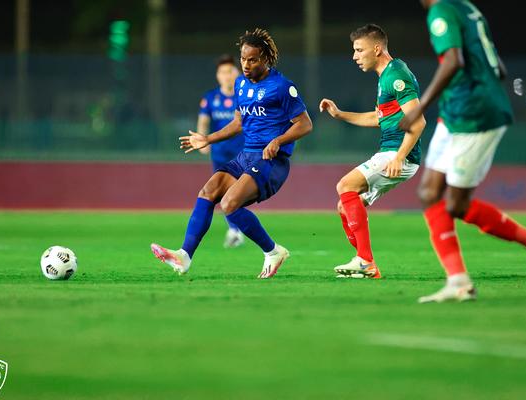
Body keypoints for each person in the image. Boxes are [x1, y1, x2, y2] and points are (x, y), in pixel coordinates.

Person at [399, 0, 526, 302]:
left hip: (474, 115)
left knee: (457, 205)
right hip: (455, 112)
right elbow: (497, 66)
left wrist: (420, 107)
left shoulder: (442, 10)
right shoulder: (466, 7)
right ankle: (458, 281)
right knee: (429, 193)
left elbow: (453, 61)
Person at [151, 28, 312, 278]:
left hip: (271, 161)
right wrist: (207, 138)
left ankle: (272, 251)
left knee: (229, 204)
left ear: (266, 59)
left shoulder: (282, 86)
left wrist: (278, 140)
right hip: (246, 156)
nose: (246, 65)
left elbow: (305, 124)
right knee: (209, 191)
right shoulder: (240, 84)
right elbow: (239, 123)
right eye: (243, 59)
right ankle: (184, 256)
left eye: (253, 59)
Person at [320, 24, 426, 279]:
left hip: (399, 154)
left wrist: (400, 156)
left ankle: (365, 260)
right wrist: (340, 114)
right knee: (344, 207)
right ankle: (368, 266)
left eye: (359, 50)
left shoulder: (396, 75)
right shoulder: (385, 77)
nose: (355, 56)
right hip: (392, 153)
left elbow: (418, 120)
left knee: (345, 185)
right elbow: (376, 118)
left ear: (377, 49)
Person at [197, 54, 245, 248]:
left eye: (230, 71)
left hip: (243, 153)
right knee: (223, 193)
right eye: (222, 72)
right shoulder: (210, 98)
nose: (226, 76)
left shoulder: (244, 95)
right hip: (219, 154)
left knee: (237, 193)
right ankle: (235, 230)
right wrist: (202, 139)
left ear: (238, 73)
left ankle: (237, 229)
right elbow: (204, 121)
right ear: (218, 76)